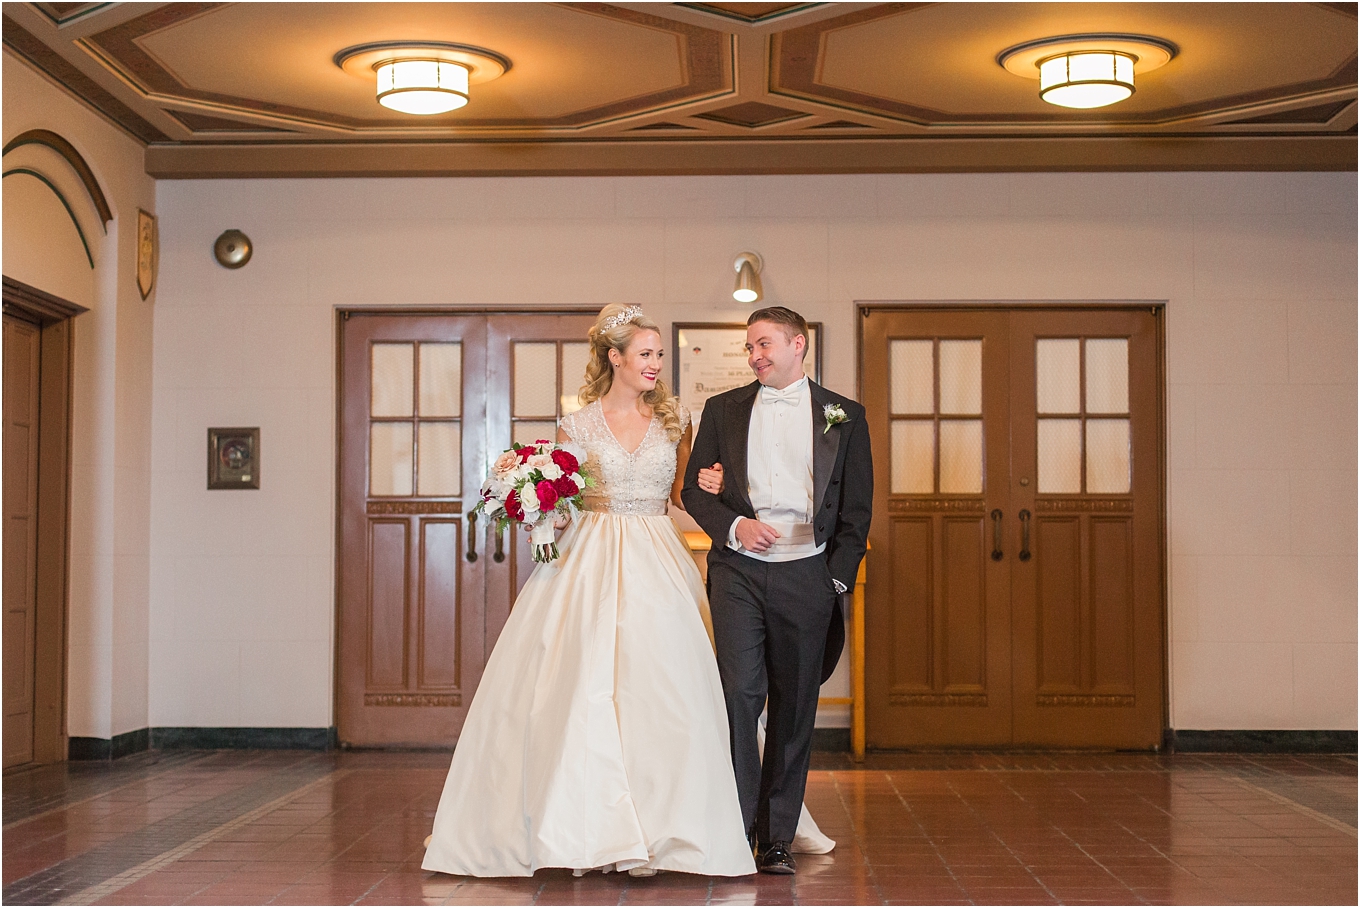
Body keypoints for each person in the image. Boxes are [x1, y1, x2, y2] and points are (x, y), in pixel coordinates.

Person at [423, 304, 828, 879]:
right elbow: (564, 495)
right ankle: (581, 826)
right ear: (614, 358)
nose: (656, 365)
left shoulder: (675, 418)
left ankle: (678, 823)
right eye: (646, 354)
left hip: (658, 555)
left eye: (660, 354)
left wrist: (720, 490)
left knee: (669, 686)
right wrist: (546, 511)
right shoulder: (578, 424)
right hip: (588, 558)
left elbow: (690, 493)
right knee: (578, 685)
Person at [682, 306, 872, 875]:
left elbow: (857, 512)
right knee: (740, 694)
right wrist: (735, 528)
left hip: (807, 575)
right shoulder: (722, 409)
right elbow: (694, 490)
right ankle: (737, 829)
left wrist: (833, 579)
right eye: (749, 347)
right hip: (739, 572)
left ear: (798, 345)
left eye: (764, 344)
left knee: (794, 707)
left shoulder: (846, 416)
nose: (755, 356)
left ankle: (778, 838)